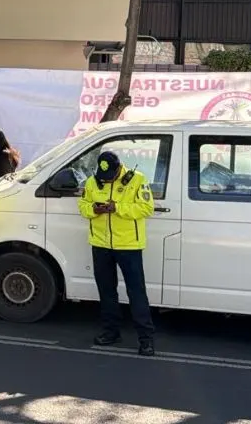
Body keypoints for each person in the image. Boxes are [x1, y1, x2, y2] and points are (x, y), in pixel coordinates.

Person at [78, 151, 157, 356]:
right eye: (104, 177)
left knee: (136, 292)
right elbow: (83, 205)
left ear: (119, 167)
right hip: (101, 244)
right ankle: (111, 331)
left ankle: (146, 339)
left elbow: (146, 208)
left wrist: (117, 208)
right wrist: (94, 209)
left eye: (111, 176)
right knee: (106, 291)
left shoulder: (137, 180)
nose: (108, 180)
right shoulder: (92, 183)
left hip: (129, 245)